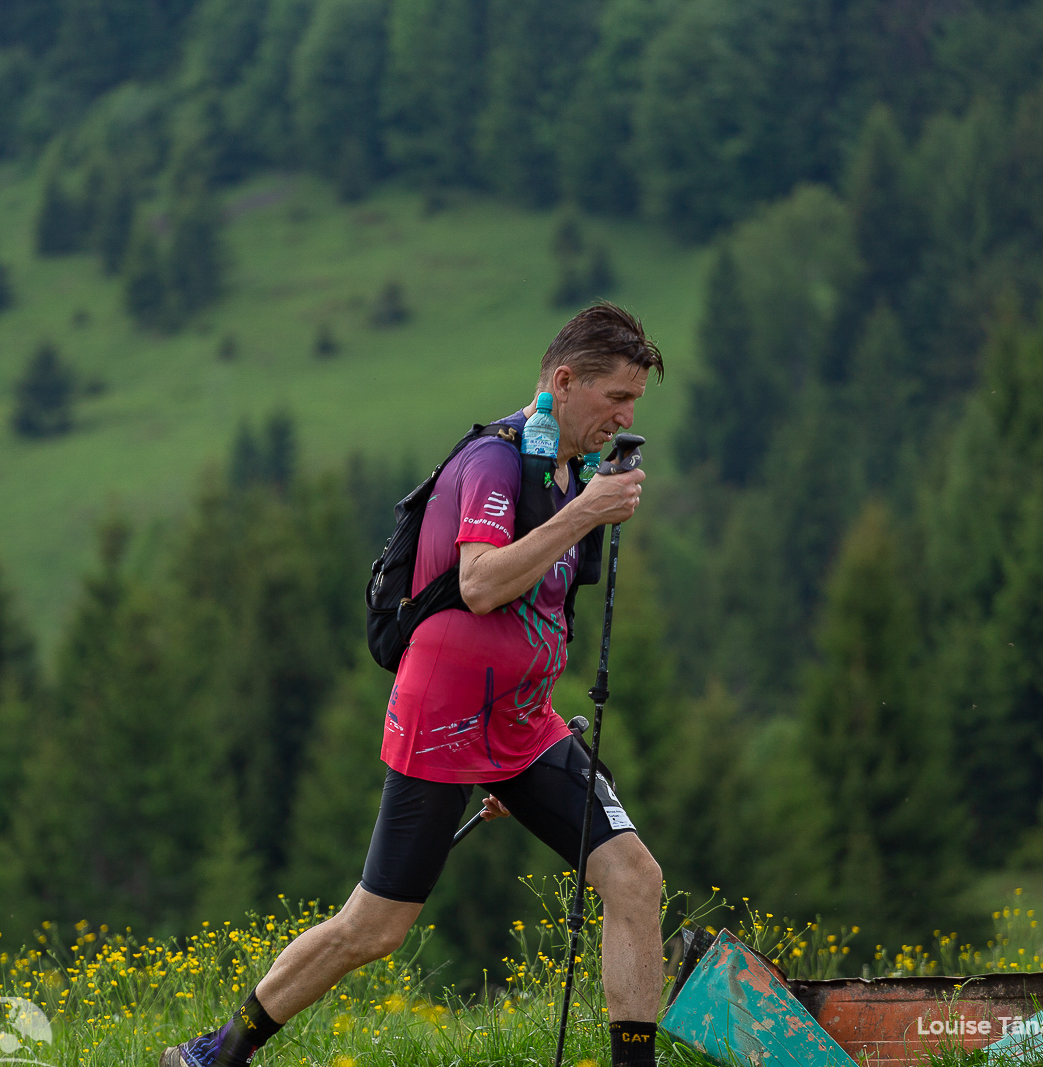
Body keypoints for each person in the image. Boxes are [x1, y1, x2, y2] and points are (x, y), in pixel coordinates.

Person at [161, 302, 665, 1067]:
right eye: (616, 397)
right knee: (374, 926)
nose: (626, 418)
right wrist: (586, 514)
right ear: (564, 382)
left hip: (522, 725)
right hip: (446, 721)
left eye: (635, 402)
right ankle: (214, 1053)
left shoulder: (569, 476)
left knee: (633, 876)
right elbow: (480, 583)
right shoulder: (495, 462)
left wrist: (531, 733)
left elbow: (538, 612)